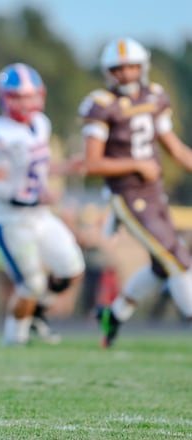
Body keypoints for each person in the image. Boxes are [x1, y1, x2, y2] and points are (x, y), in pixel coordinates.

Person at [78, 37, 192, 348]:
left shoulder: (155, 97)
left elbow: (175, 149)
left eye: (131, 67)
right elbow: (92, 162)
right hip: (127, 194)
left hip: (155, 192)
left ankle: (112, 316)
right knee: (177, 258)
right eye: (119, 69)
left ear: (142, 68)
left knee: (160, 265)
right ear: (108, 72)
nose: (126, 74)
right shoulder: (102, 105)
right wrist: (136, 164)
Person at [0, 62, 86, 347]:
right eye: (18, 97)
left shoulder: (41, 124)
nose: (25, 103)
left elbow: (38, 168)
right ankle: (14, 339)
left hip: (40, 215)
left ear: (40, 95)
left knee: (71, 268)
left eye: (30, 95)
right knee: (31, 283)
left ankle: (36, 313)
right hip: (10, 219)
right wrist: (36, 196)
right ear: (4, 97)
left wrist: (65, 168)